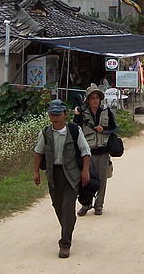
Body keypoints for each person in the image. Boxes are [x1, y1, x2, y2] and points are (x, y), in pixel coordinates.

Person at [33, 99, 92, 259]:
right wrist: (36, 171)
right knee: (58, 206)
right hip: (54, 175)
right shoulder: (45, 133)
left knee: (67, 207)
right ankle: (68, 226)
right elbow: (39, 152)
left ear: (64, 114)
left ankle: (65, 244)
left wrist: (85, 170)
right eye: (52, 114)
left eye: (58, 114)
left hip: (72, 176)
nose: (55, 117)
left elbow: (85, 150)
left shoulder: (74, 130)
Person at [73, 83, 117, 217]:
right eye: (92, 98)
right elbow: (75, 129)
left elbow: (114, 128)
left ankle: (99, 205)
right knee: (86, 180)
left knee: (102, 180)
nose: (95, 100)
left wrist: (104, 130)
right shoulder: (81, 113)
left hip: (103, 151)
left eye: (97, 97)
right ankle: (86, 205)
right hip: (88, 153)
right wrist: (77, 114)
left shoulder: (106, 111)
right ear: (88, 99)